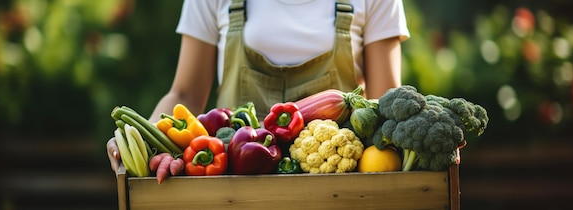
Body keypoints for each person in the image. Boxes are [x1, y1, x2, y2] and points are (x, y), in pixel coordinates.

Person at [107, 0, 410, 172]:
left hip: (337, 190)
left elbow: (385, 104)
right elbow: (184, 94)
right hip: (231, 193)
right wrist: (138, 140)